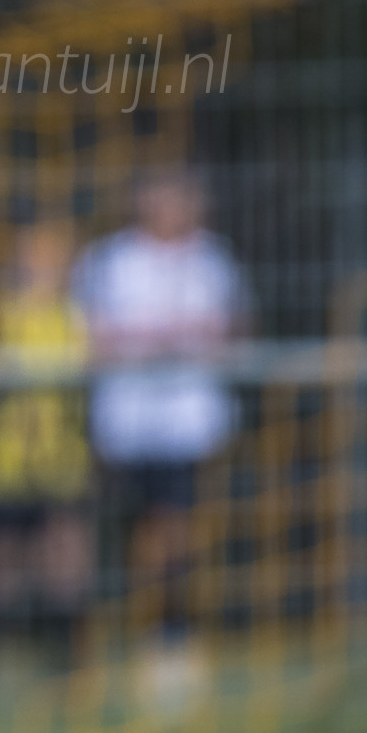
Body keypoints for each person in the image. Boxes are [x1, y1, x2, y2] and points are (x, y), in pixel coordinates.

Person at [72, 170, 245, 634]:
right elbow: (87, 334)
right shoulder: (110, 259)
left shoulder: (213, 259)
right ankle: (115, 624)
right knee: (126, 528)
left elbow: (233, 330)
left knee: (174, 526)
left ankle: (168, 628)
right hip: (124, 423)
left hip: (188, 422)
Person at [0, 223, 93, 633]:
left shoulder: (74, 317)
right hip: (1, 461)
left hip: (58, 460)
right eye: (34, 257)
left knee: (64, 553)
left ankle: (65, 650)